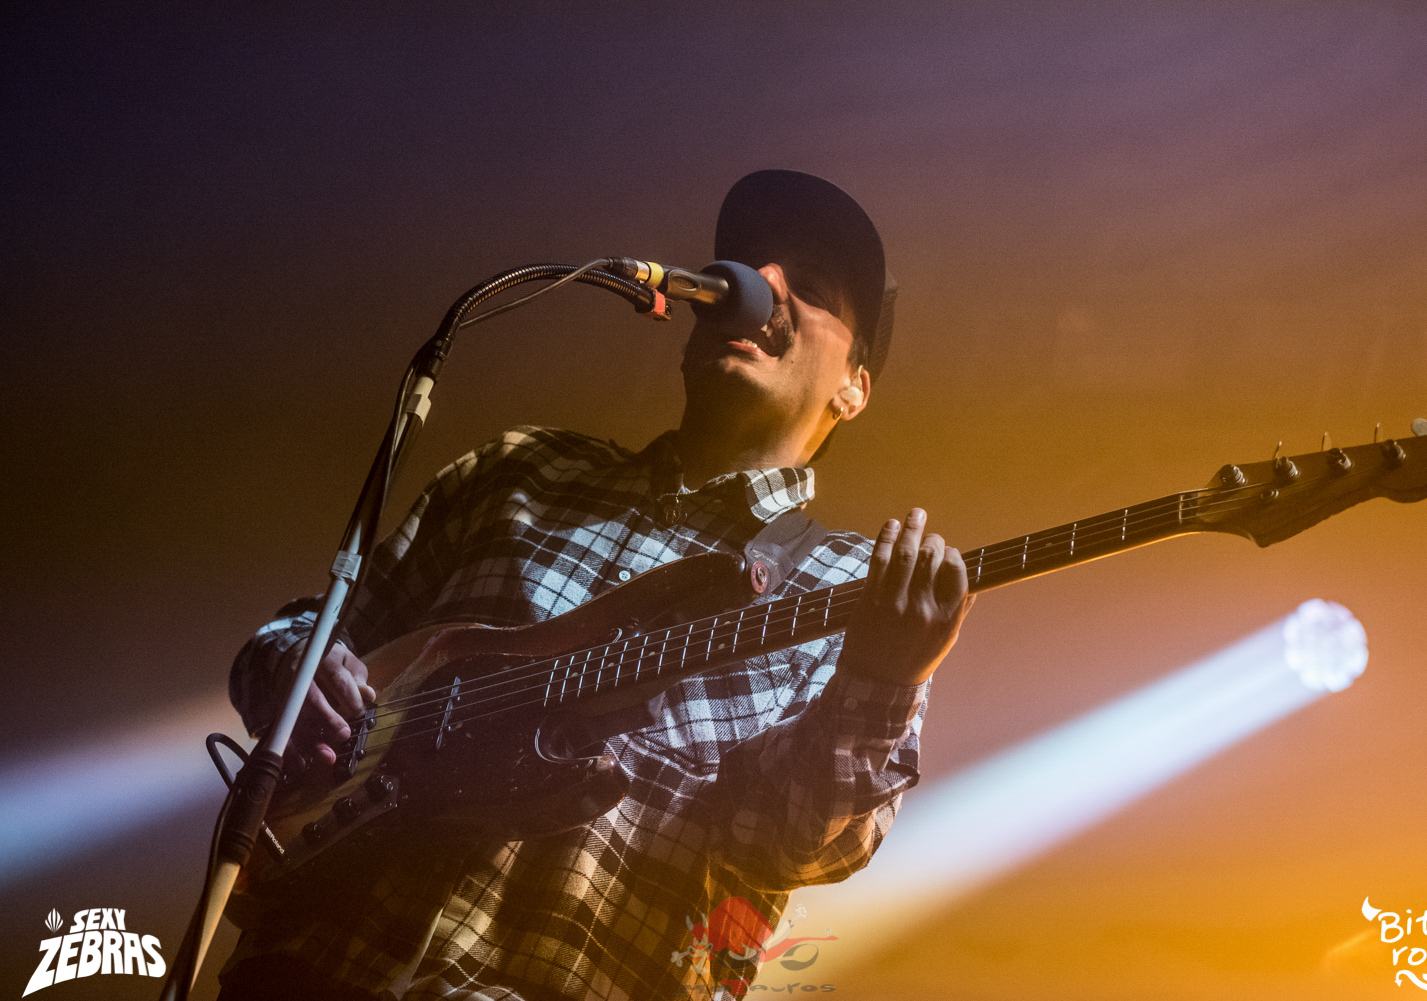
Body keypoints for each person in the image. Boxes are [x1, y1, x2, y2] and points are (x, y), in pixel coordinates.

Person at [221, 170, 973, 1001]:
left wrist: (881, 680)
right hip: (302, 966)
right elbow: (308, 637)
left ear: (855, 386)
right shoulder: (519, 469)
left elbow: (785, 840)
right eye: (753, 266)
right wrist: (297, 667)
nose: (763, 284)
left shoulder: (854, 585)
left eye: (815, 287)